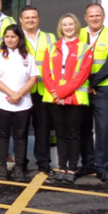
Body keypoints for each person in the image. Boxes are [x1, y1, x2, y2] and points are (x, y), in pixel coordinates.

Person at [41, 13, 93, 185]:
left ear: (76, 26)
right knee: (60, 135)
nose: (68, 27)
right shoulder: (51, 47)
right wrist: (56, 94)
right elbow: (46, 74)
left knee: (74, 135)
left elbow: (82, 76)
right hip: (55, 99)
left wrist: (61, 93)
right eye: (65, 25)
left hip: (75, 99)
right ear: (60, 27)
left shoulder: (85, 49)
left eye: (71, 24)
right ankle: (61, 168)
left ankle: (72, 169)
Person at [78, 3, 108, 185]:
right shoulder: (77, 33)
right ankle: (87, 163)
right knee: (83, 128)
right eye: (91, 16)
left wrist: (92, 82)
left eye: (98, 15)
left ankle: (101, 167)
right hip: (81, 89)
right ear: (86, 17)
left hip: (103, 89)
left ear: (103, 17)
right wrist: (84, 83)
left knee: (102, 129)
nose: (95, 18)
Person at [0, 25, 38, 182]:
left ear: (19, 38)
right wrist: (11, 93)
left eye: (13, 37)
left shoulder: (28, 57)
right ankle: (3, 167)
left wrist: (19, 94)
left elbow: (33, 78)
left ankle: (19, 168)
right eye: (7, 36)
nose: (10, 40)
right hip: (2, 102)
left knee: (20, 137)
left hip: (23, 103)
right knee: (3, 136)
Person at [19, 5, 56, 177]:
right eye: (26, 18)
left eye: (33, 17)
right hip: (22, 90)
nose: (30, 20)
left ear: (38, 19)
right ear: (21, 20)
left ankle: (43, 162)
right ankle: (21, 162)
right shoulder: (16, 37)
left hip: (43, 90)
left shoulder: (50, 37)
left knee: (42, 128)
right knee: (22, 129)